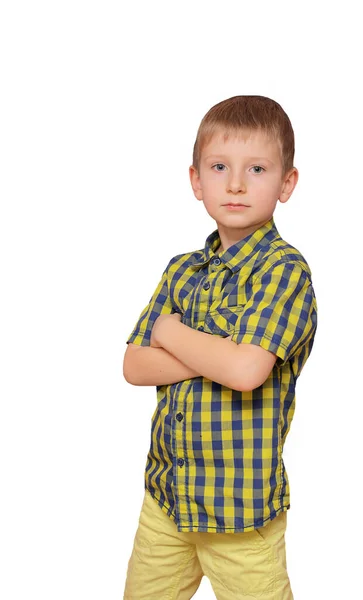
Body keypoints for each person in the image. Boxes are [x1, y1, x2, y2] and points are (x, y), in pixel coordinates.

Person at [122, 95, 318, 600]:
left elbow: (247, 371)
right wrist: (217, 354)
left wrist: (169, 332)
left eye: (256, 168)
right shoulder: (181, 270)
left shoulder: (283, 271)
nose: (235, 183)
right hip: (167, 501)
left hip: (240, 514)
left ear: (286, 183)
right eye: (219, 167)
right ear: (196, 181)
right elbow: (134, 366)